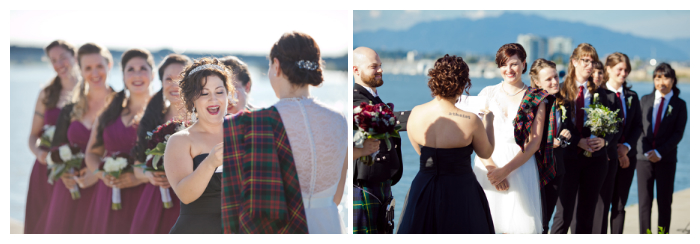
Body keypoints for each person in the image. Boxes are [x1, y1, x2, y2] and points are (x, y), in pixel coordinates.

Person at [396, 54, 496, 234]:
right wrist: (489, 122)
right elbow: (486, 152)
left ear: (434, 80)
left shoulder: (416, 113)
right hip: (460, 190)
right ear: (463, 84)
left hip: (424, 186)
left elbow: (421, 152)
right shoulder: (471, 120)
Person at [42, 42, 115, 234]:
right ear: (80, 70)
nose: (95, 73)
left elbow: (128, 148)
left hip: (107, 188)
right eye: (88, 68)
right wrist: (63, 172)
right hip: (69, 188)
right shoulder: (70, 108)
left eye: (99, 66)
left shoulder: (121, 105)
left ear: (109, 65)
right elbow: (57, 147)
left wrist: (97, 173)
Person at [474, 43, 544, 234]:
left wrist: (505, 170)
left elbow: (535, 142)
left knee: (520, 226)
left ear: (524, 64)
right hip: (487, 165)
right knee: (485, 224)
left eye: (514, 64)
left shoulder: (535, 97)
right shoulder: (487, 93)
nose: (509, 70)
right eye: (504, 65)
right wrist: (492, 169)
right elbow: (476, 135)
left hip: (519, 166)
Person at [83, 48, 154, 234]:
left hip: (146, 196)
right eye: (131, 69)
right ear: (122, 75)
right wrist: (102, 175)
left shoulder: (161, 114)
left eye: (143, 69)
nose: (137, 75)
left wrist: (138, 178)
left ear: (153, 74)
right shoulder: (109, 112)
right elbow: (92, 153)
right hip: (107, 194)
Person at [551, 43, 616, 234]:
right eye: (585, 60)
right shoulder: (560, 91)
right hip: (568, 159)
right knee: (563, 215)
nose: (589, 65)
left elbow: (614, 125)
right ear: (574, 62)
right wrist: (576, 141)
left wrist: (605, 141)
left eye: (592, 61)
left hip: (595, 161)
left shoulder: (601, 93)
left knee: (587, 217)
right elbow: (557, 124)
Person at [164, 58, 229, 234]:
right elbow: (185, 195)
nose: (213, 99)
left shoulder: (245, 132)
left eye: (219, 91)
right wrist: (210, 163)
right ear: (192, 99)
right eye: (204, 93)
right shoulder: (180, 140)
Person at [129, 54, 192, 234]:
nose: (174, 84)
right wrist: (150, 176)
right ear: (161, 82)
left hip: (190, 203)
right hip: (154, 201)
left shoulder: (201, 120)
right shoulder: (151, 120)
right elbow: (137, 168)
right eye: (168, 79)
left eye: (181, 79)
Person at [24, 40, 80, 234]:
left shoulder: (89, 93)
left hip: (75, 171)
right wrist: (40, 154)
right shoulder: (46, 94)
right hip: (44, 172)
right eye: (53, 60)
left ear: (74, 57)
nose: (59, 64)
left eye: (63, 58)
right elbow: (32, 136)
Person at [351, 46, 405, 234]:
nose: (380, 70)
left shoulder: (377, 102)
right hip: (363, 186)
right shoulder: (355, 101)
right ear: (356, 70)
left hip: (382, 186)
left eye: (380, 65)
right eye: (374, 66)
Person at [594, 52, 643, 234]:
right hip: (605, 157)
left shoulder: (632, 96)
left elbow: (638, 126)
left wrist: (626, 148)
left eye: (626, 70)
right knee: (601, 205)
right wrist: (614, 150)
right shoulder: (599, 94)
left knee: (620, 205)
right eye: (619, 69)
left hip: (627, 158)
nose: (623, 73)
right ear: (608, 69)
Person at [636, 63, 687, 234]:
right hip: (643, 159)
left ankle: (662, 235)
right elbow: (639, 128)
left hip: (666, 159)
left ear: (673, 80)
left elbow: (678, 133)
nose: (661, 81)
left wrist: (659, 152)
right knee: (644, 203)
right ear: (653, 80)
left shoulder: (680, 104)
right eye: (658, 77)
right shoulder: (644, 100)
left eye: (666, 77)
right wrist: (646, 150)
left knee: (664, 202)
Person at [528, 59, 572, 234]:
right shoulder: (529, 104)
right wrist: (546, 142)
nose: (555, 82)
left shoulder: (563, 103)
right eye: (548, 79)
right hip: (533, 168)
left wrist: (563, 140)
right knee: (532, 222)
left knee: (545, 223)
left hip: (556, 168)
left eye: (556, 77)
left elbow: (568, 132)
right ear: (537, 82)